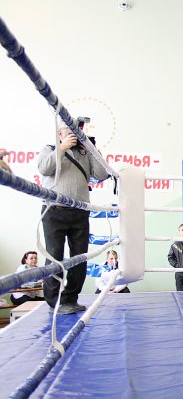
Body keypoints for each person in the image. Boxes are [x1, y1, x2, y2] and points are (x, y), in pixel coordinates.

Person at [38, 123, 109, 315]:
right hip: (54, 210)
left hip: (80, 211)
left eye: (76, 132)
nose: (73, 135)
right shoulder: (50, 149)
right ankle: (54, 303)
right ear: (59, 133)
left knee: (80, 257)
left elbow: (102, 174)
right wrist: (62, 148)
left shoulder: (85, 152)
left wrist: (93, 150)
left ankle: (71, 299)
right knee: (54, 256)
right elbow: (44, 169)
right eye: (68, 131)